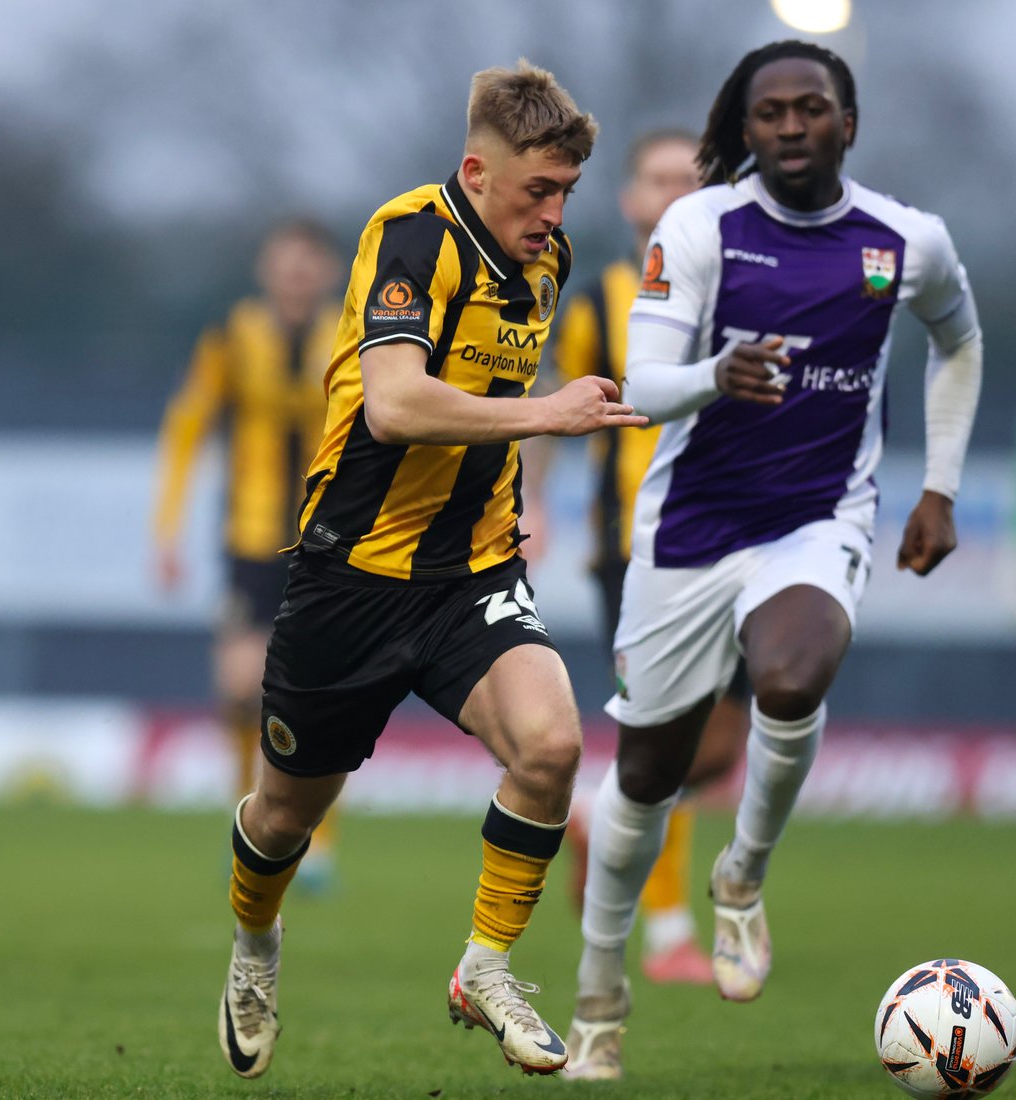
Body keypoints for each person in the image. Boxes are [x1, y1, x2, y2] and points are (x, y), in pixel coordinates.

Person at [216, 61, 646, 1081]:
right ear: (476, 171)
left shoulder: (547, 262)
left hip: (470, 573)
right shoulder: (411, 237)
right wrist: (551, 412)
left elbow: (502, 402)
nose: (552, 213)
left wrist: (528, 471)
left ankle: (486, 965)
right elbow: (394, 406)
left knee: (550, 746)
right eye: (537, 190)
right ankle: (255, 944)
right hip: (348, 576)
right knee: (281, 815)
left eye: (566, 193)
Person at [562, 39, 983, 1080]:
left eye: (813, 108)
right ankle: (599, 994)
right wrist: (718, 371)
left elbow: (959, 339)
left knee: (795, 672)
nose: (792, 126)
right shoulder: (700, 227)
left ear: (849, 122)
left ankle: (742, 877)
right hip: (690, 528)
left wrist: (939, 486)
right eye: (771, 114)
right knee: (645, 782)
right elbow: (641, 381)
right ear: (744, 132)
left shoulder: (905, 240)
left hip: (818, 516)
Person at [548, 128, 743, 987]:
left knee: (717, 748)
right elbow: (553, 406)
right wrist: (521, 507)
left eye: (688, 180)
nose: (670, 193)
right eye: (657, 179)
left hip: (738, 535)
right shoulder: (596, 303)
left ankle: (596, 809)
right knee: (665, 730)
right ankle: (667, 932)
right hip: (635, 546)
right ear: (629, 200)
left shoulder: (744, 292)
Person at [152, 220, 344, 887]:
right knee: (240, 690)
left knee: (322, 693)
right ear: (266, 269)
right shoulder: (232, 337)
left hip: (329, 541)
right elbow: (186, 430)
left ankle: (318, 842)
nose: (295, 276)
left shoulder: (351, 336)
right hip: (249, 539)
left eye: (307, 265)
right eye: (284, 264)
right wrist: (167, 533)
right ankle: (252, 817)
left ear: (325, 273)